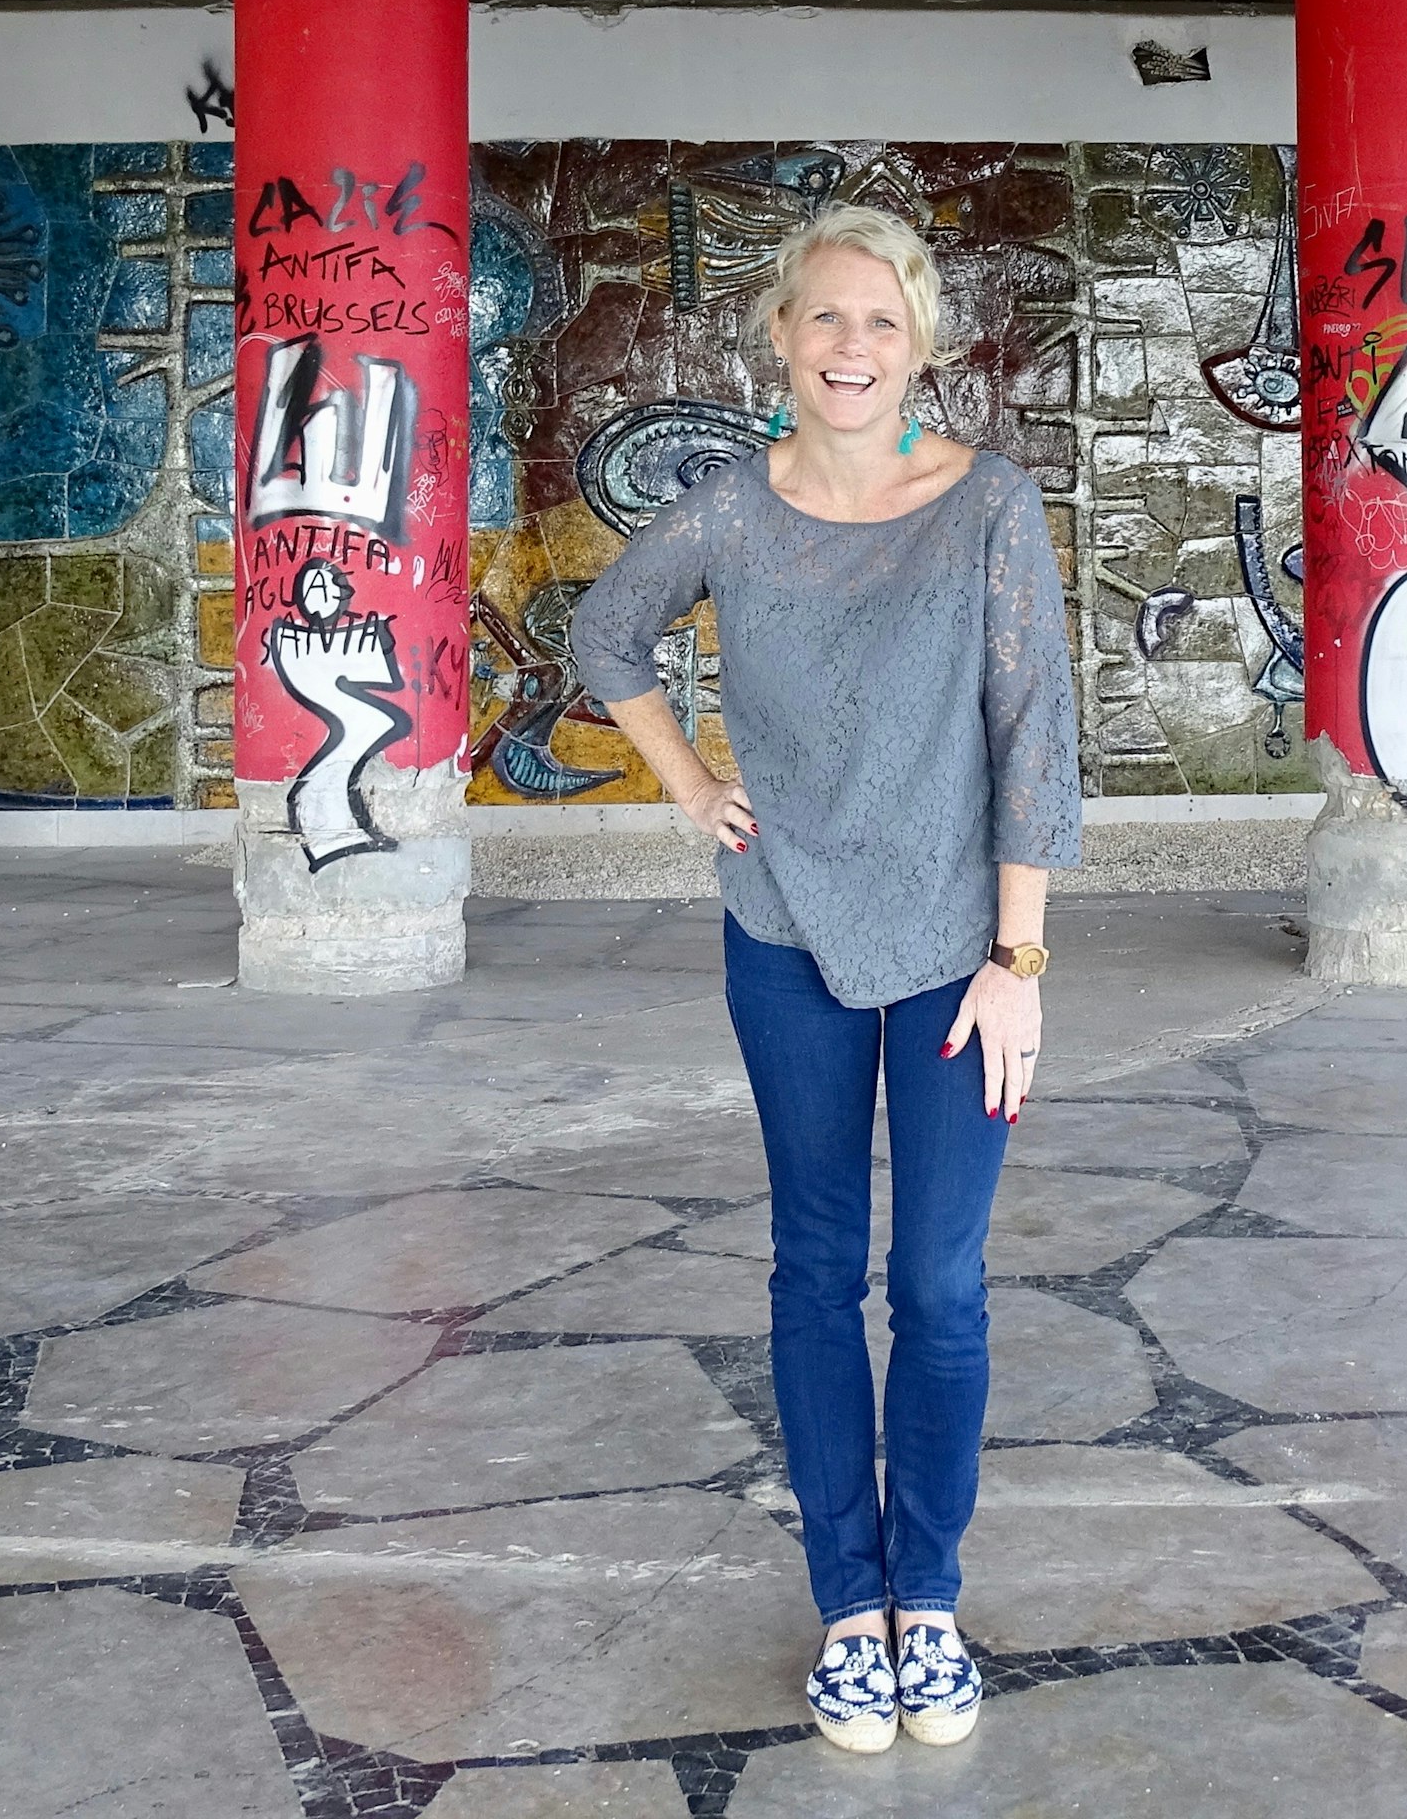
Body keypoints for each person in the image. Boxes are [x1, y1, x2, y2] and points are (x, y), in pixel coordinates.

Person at [571, 202, 1080, 1758]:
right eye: (824, 318)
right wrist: (686, 781)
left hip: (953, 952)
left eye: (881, 321)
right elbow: (607, 634)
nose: (851, 347)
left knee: (936, 1286)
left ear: (921, 344)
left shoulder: (987, 502)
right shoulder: (729, 509)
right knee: (813, 1272)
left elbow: (1032, 736)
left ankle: (928, 1597)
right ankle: (847, 1611)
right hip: (783, 932)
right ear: (780, 340)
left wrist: (1019, 956)